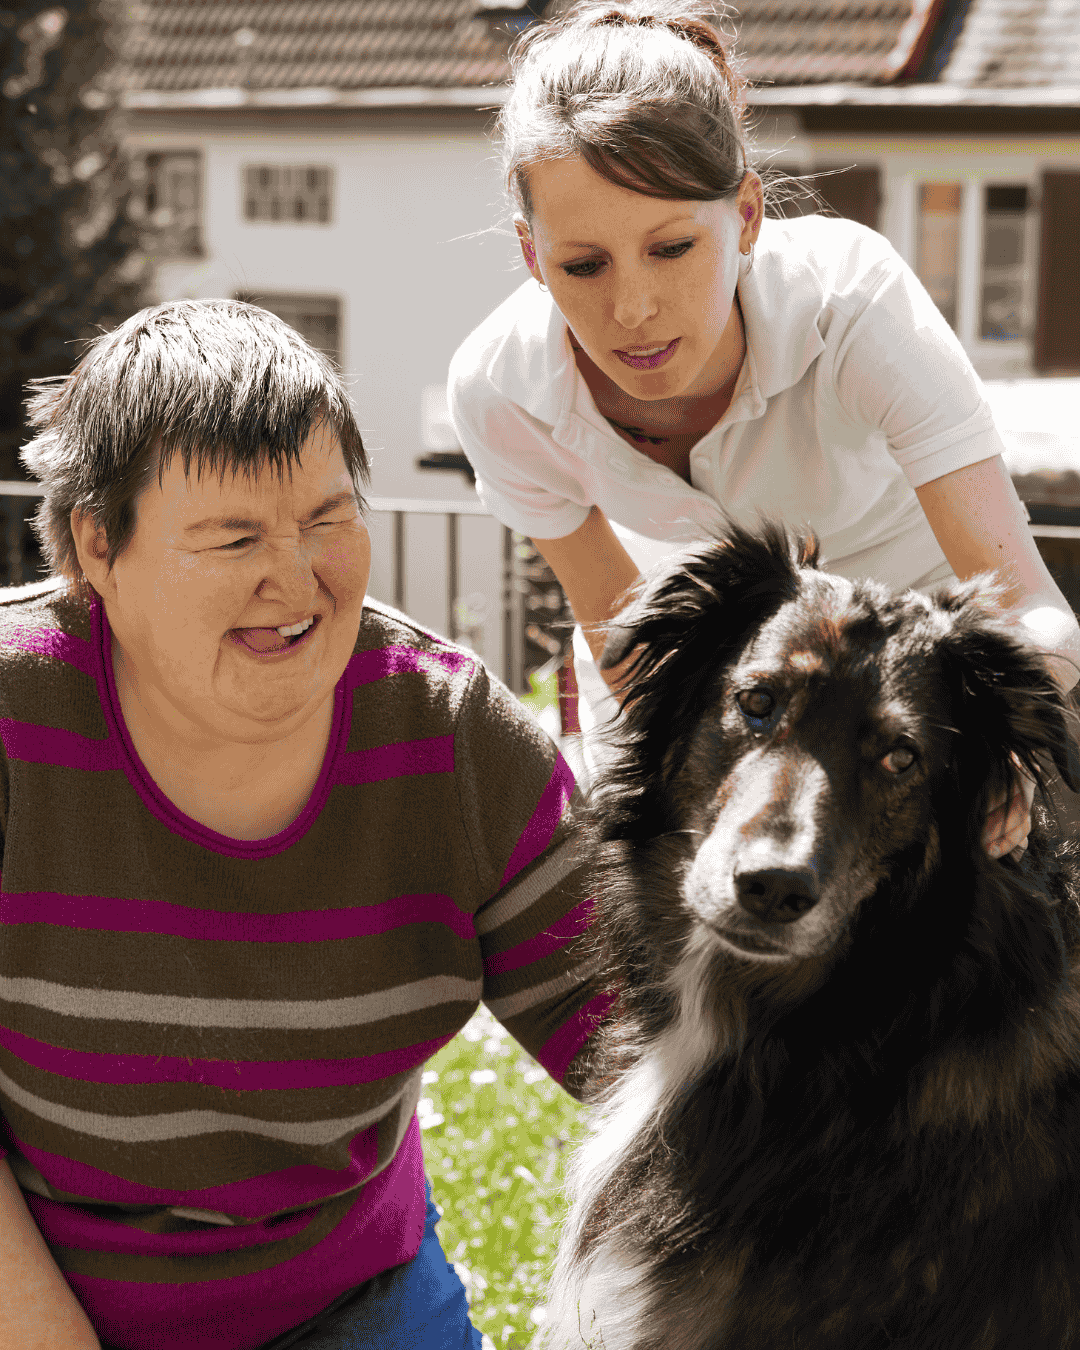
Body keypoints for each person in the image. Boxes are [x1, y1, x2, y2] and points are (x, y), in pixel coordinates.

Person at [0, 300, 612, 1350]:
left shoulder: (453, 739)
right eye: (234, 536)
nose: (297, 580)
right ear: (97, 549)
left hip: (350, 1294)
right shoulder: (15, 713)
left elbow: (644, 1045)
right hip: (39, 1289)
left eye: (328, 519)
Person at [447, 0, 1080, 857]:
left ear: (745, 216)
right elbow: (623, 639)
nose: (632, 310)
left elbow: (1030, 606)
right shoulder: (500, 391)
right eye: (582, 265)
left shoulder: (854, 302)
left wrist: (1009, 739)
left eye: (672, 248)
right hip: (704, 697)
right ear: (531, 255)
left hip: (920, 694)